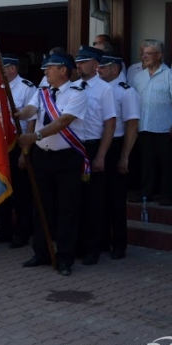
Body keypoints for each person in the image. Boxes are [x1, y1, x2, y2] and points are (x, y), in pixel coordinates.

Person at [17, 53, 89, 276]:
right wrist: (18, 113)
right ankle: (41, 252)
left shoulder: (78, 93)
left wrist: (35, 136)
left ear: (63, 70)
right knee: (41, 205)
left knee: (67, 209)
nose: (45, 71)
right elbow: (30, 110)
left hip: (67, 158)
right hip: (43, 157)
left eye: (50, 68)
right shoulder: (42, 92)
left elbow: (62, 122)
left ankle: (65, 257)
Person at [0, 54, 37, 247]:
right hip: (0, 143)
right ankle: (4, 229)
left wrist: (26, 148)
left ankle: (22, 231)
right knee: (1, 187)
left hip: (19, 141)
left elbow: (32, 117)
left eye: (2, 67)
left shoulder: (26, 87)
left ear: (12, 69)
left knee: (21, 190)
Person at [73, 46, 116, 265]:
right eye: (77, 61)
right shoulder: (71, 87)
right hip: (72, 147)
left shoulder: (104, 89)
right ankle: (76, 245)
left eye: (84, 61)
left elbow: (110, 124)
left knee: (94, 201)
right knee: (75, 199)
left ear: (96, 64)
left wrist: (101, 155)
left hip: (92, 147)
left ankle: (93, 248)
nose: (79, 65)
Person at [131, 40, 172, 207]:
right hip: (144, 126)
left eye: (149, 53)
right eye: (143, 53)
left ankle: (167, 195)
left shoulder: (170, 75)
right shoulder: (138, 76)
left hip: (164, 127)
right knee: (147, 162)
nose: (144, 56)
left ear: (159, 55)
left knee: (166, 163)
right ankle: (147, 192)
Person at [97, 54, 141, 260]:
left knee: (116, 199)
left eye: (104, 67)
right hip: (98, 144)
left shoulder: (126, 91)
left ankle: (119, 244)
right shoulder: (97, 87)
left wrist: (125, 156)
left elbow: (132, 125)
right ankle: (102, 240)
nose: (99, 70)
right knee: (100, 197)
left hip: (116, 144)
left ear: (115, 69)